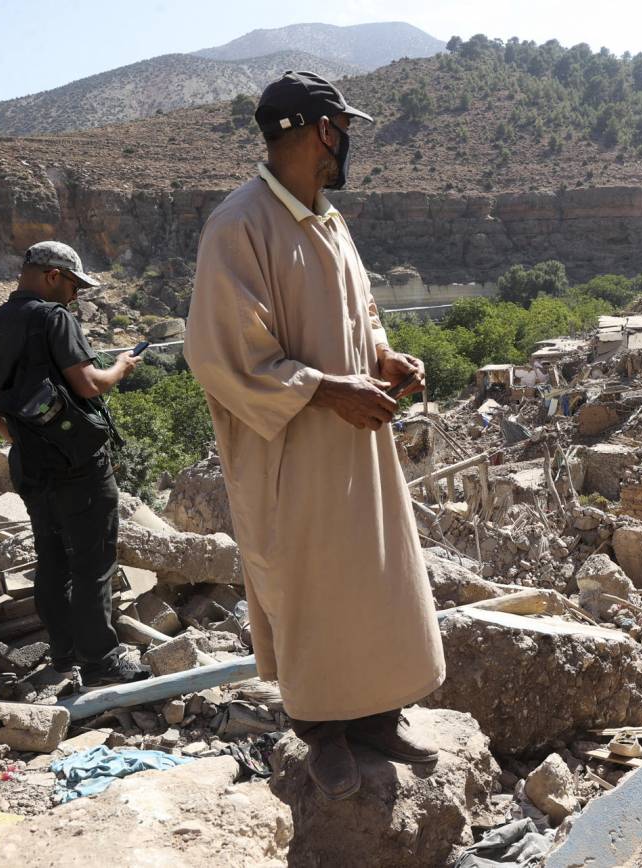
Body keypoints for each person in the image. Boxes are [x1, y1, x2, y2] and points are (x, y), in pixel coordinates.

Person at [184, 71, 445, 800]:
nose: (348, 143)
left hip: (356, 443)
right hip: (291, 453)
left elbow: (362, 318)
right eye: (343, 130)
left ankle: (377, 716)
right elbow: (222, 355)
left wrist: (387, 358)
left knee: (371, 576)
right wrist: (329, 390)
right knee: (309, 585)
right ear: (322, 130)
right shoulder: (240, 225)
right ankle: (321, 730)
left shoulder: (329, 221)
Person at [0, 241, 145, 685]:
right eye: (74, 284)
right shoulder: (53, 317)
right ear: (51, 276)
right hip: (78, 461)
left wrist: (14, 436)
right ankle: (101, 661)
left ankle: (64, 657)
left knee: (52, 559)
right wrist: (121, 366)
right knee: (93, 560)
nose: (76, 295)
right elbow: (88, 386)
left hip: (31, 464)